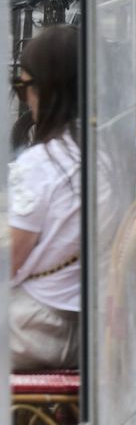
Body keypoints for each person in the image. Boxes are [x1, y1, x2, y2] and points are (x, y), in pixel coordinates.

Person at [9, 26, 82, 371]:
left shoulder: (41, 163)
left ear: (46, 89)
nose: (24, 98)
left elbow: (9, 261)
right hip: (88, 328)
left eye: (23, 87)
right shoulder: (107, 155)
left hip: (33, 326)